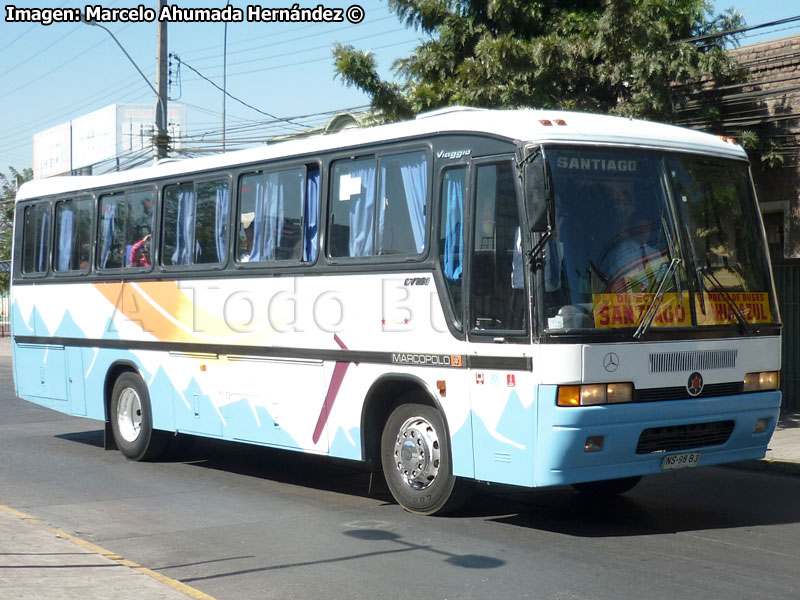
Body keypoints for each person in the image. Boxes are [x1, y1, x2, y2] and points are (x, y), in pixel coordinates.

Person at [604, 186, 665, 293]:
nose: (644, 232)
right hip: (629, 301)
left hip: (656, 302)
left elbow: (664, 279)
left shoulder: (655, 253)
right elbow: (624, 282)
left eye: (647, 228)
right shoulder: (621, 252)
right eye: (640, 228)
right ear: (632, 229)